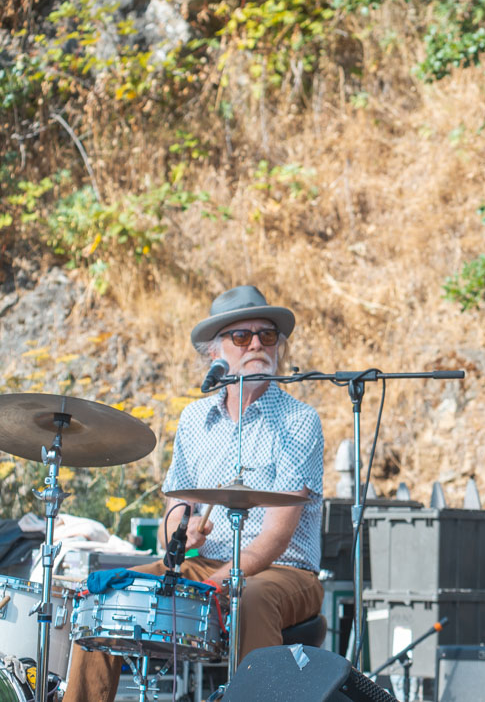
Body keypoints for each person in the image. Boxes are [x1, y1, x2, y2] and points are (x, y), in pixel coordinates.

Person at [65, 285, 325, 702]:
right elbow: (174, 514)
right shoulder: (194, 419)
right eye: (242, 336)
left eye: (267, 335)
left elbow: (277, 535)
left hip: (284, 572)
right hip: (204, 564)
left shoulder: (299, 420)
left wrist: (222, 581)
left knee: (251, 597)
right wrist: (180, 535)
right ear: (214, 351)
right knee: (110, 593)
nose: (257, 344)